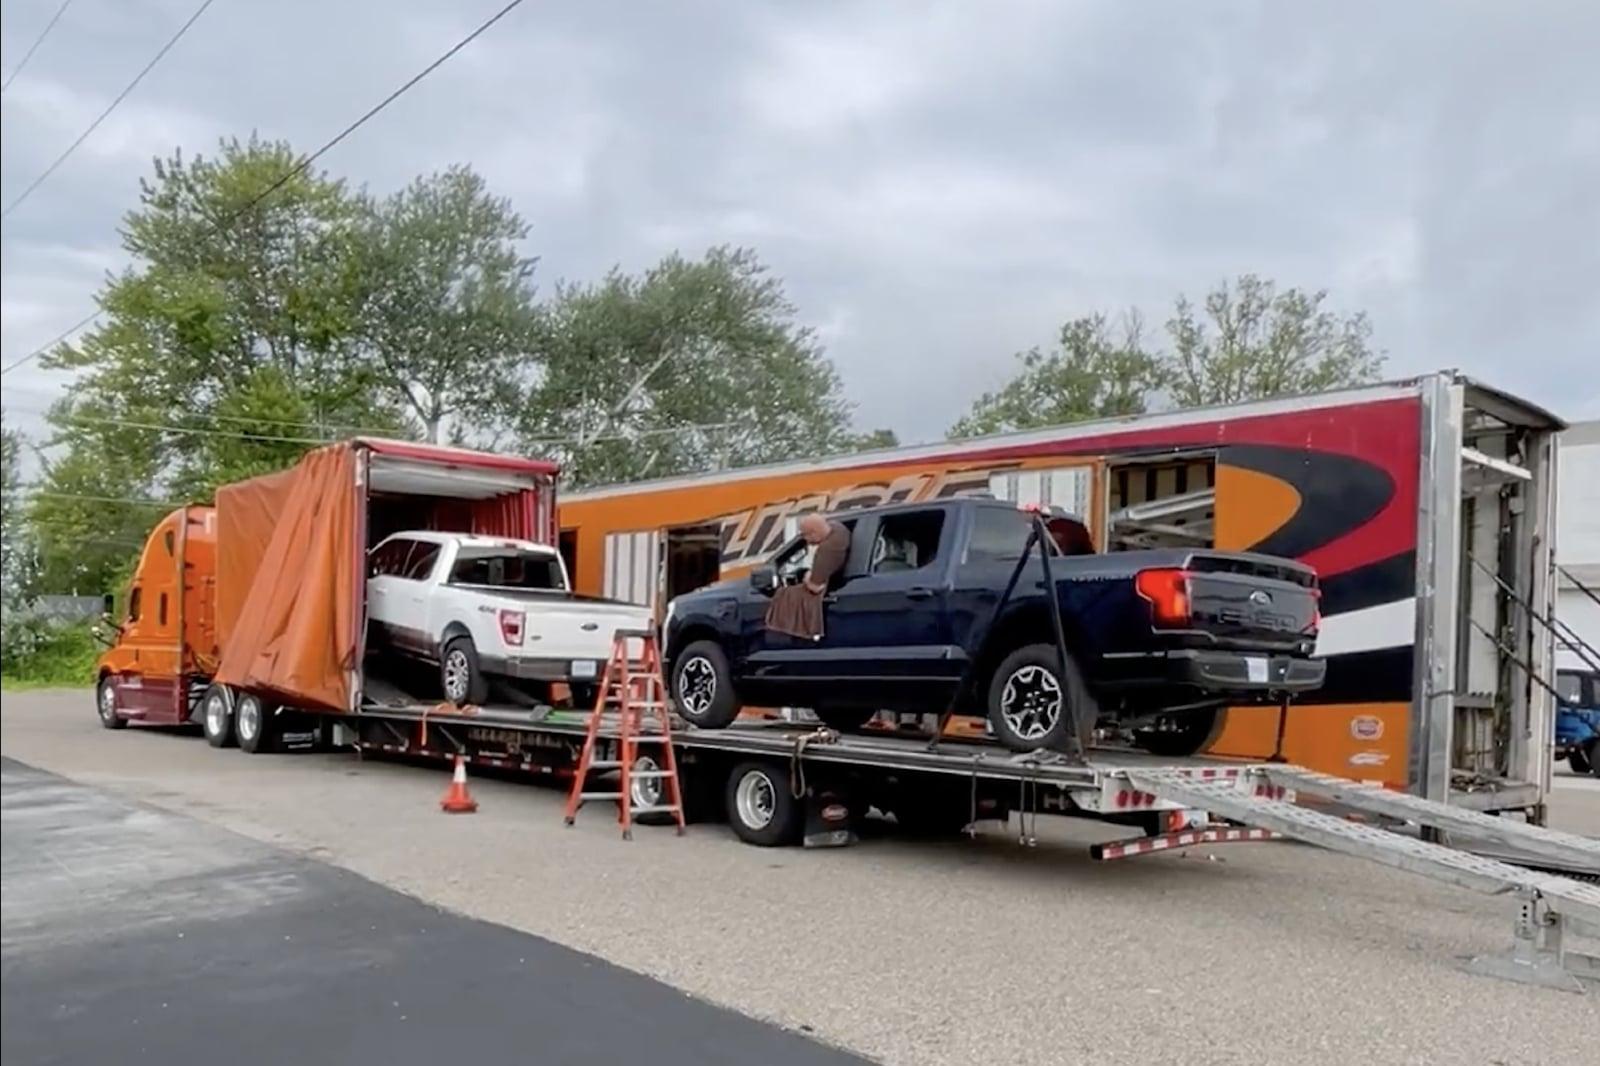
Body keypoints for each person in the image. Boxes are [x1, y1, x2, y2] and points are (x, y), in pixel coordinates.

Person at [764, 513, 849, 640]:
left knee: (785, 594)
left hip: (834, 593)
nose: (806, 540)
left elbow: (815, 587)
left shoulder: (827, 550)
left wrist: (807, 576)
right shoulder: (838, 529)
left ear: (814, 533)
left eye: (805, 535)